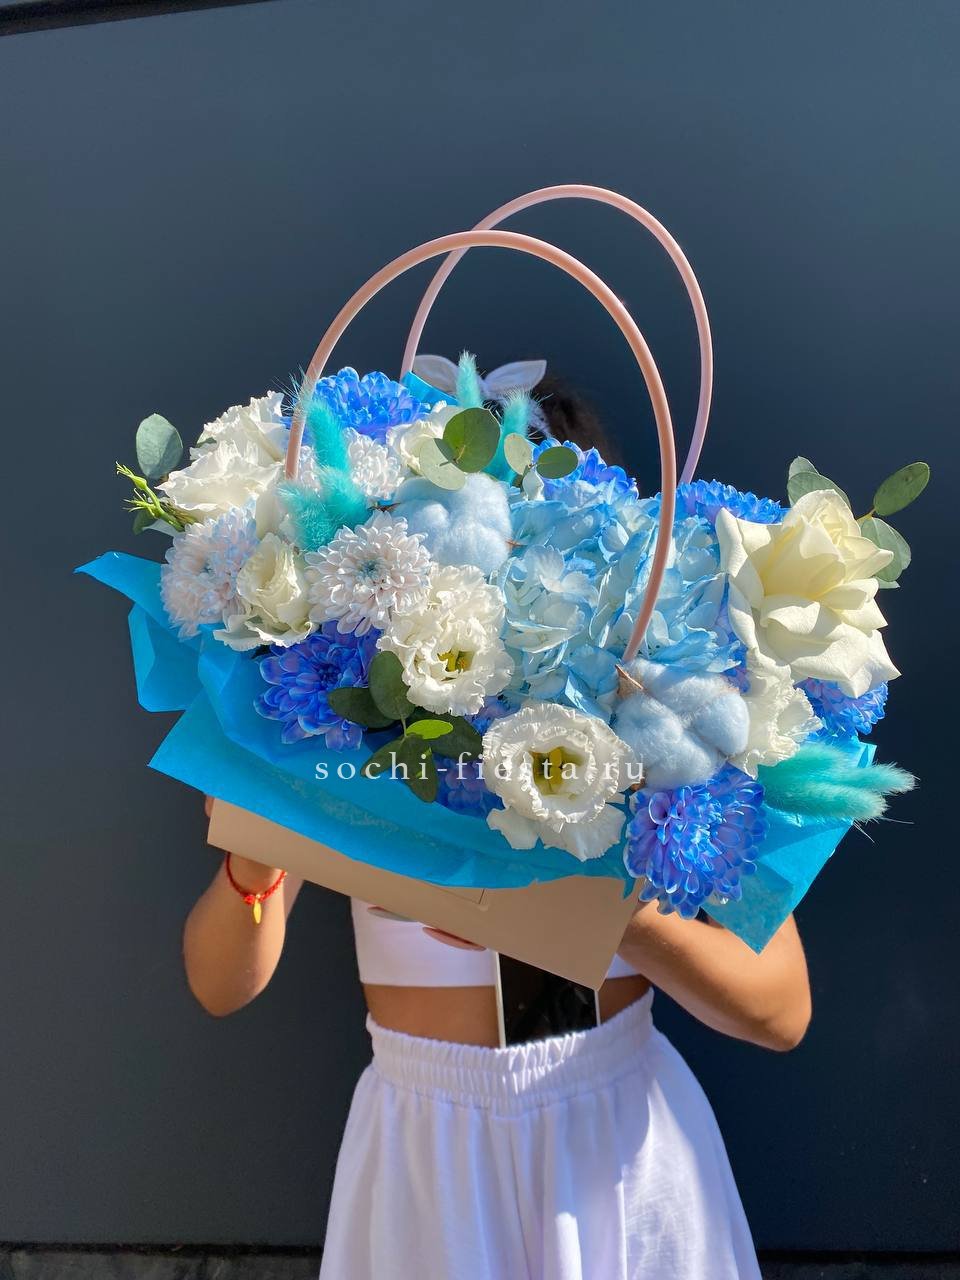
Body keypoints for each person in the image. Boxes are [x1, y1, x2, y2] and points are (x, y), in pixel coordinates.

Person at [183, 372, 811, 1280]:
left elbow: (781, 1008)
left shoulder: (659, 723)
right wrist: (253, 864)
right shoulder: (366, 717)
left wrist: (580, 907)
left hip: (618, 1144)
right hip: (428, 1156)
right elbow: (219, 985)